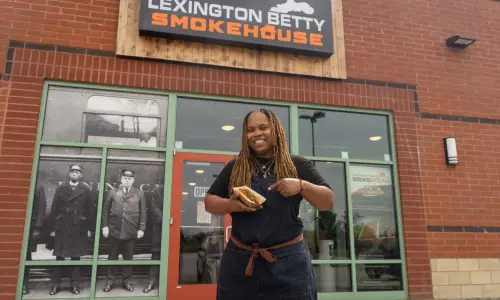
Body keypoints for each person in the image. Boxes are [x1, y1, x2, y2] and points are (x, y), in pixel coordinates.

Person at [204, 108, 334, 300]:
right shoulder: (236, 166)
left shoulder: (295, 165)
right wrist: (231, 205)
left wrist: (301, 185)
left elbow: (327, 201)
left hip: (289, 262)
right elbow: (209, 202)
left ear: (276, 130)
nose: (257, 134)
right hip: (240, 261)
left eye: (263, 127)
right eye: (251, 129)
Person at [48, 164, 93, 295]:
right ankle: (56, 285)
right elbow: (54, 209)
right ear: (69, 174)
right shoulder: (61, 188)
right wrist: (52, 228)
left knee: (75, 257)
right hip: (62, 225)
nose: (74, 174)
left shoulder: (86, 189)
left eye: (77, 172)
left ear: (81, 175)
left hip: (78, 226)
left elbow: (90, 211)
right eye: (72, 171)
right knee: (59, 257)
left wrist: (89, 228)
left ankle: (74, 285)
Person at [101, 168, 147, 293]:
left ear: (133, 180)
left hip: (131, 232)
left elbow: (143, 211)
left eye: (129, 179)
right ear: (121, 179)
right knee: (112, 258)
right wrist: (105, 226)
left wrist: (141, 228)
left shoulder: (139, 193)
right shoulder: (113, 192)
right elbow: (105, 211)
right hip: (114, 231)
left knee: (128, 259)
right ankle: (110, 282)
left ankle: (126, 282)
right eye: (125, 178)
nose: (127, 181)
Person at [23, 183, 47, 295]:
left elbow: (41, 208)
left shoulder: (38, 187)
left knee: (26, 255)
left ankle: (24, 284)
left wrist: (37, 228)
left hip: (30, 226)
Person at [143, 184, 163, 293]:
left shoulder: (179, 187)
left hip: (175, 228)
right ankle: (151, 282)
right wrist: (167, 220)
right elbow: (155, 207)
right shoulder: (158, 189)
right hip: (160, 228)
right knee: (156, 256)